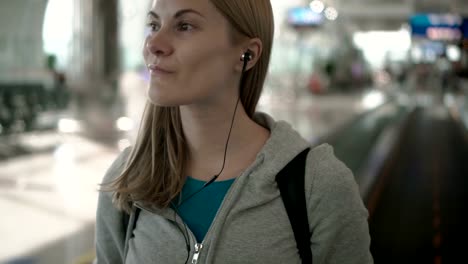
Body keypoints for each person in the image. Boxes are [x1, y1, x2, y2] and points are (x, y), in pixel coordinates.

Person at [95, 0, 373, 263]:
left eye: (184, 26)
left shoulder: (317, 186)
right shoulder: (129, 179)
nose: (153, 44)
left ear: (246, 55)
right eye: (154, 25)